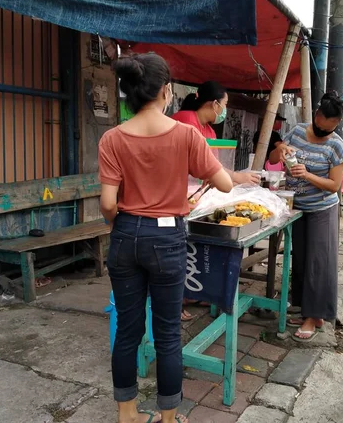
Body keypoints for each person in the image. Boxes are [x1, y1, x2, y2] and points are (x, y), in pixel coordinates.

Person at [98, 53, 233, 423]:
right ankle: (169, 418)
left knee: (128, 330)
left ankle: (127, 414)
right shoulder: (187, 135)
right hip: (167, 237)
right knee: (168, 334)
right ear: (167, 91)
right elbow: (223, 182)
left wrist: (125, 222)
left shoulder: (111, 138)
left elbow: (108, 203)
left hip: (125, 234)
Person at [172, 81, 260, 321]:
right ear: (214, 103)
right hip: (177, 197)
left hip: (197, 197)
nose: (224, 110)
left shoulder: (209, 130)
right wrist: (236, 177)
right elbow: (204, 168)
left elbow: (215, 168)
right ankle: (176, 300)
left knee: (199, 245)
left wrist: (232, 178)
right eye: (224, 105)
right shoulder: (185, 121)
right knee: (180, 248)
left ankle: (193, 291)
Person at [269, 92, 343, 342]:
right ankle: (309, 311)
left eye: (331, 129)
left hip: (322, 209)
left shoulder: (336, 145)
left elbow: (334, 185)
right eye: (322, 128)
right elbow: (273, 158)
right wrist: (281, 148)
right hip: (297, 208)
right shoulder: (298, 132)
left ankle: (314, 317)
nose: (326, 133)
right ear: (316, 117)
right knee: (301, 260)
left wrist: (307, 175)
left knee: (318, 264)